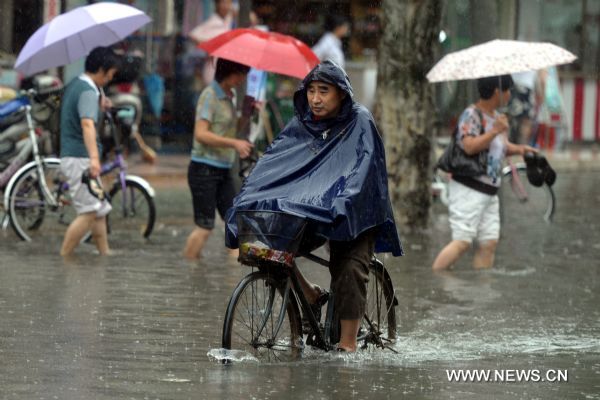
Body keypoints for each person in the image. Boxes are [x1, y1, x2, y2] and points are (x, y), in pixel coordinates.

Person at [225, 61, 403, 352]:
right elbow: (274, 163)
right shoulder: (302, 123)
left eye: (324, 91)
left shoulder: (360, 120)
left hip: (355, 211)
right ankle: (309, 293)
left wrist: (343, 200)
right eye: (311, 91)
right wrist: (248, 195)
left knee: (348, 269)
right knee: (270, 247)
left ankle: (348, 346)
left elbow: (363, 169)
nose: (316, 99)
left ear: (341, 94)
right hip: (312, 210)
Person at [432, 75, 537, 271]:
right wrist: (495, 131)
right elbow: (469, 146)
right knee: (462, 241)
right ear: (498, 91)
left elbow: (499, 148)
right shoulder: (471, 115)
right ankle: (436, 278)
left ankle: (480, 292)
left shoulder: (498, 118)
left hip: (489, 192)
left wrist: (520, 149)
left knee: (489, 243)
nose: (509, 95)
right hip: (468, 189)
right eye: (508, 90)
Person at [183, 58, 253, 261]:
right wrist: (234, 144)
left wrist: (247, 113)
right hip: (204, 168)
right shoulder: (209, 95)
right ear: (228, 72)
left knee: (235, 224)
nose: (242, 79)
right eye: (240, 74)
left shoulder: (230, 96)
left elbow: (231, 128)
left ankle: (234, 280)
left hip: (223, 168)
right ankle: (189, 268)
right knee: (205, 226)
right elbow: (201, 134)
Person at [59, 47, 120, 256]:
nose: (111, 78)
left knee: (99, 210)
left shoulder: (78, 84)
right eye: (111, 73)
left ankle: (105, 253)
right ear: (102, 69)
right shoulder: (87, 91)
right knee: (89, 211)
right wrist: (94, 158)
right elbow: (86, 124)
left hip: (76, 155)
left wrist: (99, 106)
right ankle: (64, 257)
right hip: (80, 157)